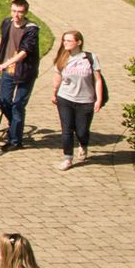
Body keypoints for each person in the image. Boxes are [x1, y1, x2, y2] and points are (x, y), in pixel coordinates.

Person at [0, 0, 40, 150]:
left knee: (18, 105)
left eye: (20, 12)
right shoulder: (7, 23)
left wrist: (5, 63)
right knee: (4, 102)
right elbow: (2, 40)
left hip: (24, 73)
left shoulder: (31, 30)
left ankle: (15, 141)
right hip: (8, 71)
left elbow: (24, 52)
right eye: (14, 11)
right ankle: (15, 124)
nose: (16, 15)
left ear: (26, 12)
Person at [51, 31, 107, 171]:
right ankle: (68, 158)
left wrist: (98, 100)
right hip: (65, 98)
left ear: (78, 42)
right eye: (64, 40)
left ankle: (83, 145)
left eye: (69, 40)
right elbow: (57, 77)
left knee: (82, 131)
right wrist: (54, 93)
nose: (65, 43)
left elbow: (98, 80)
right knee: (66, 129)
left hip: (86, 100)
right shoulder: (62, 58)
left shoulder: (90, 58)